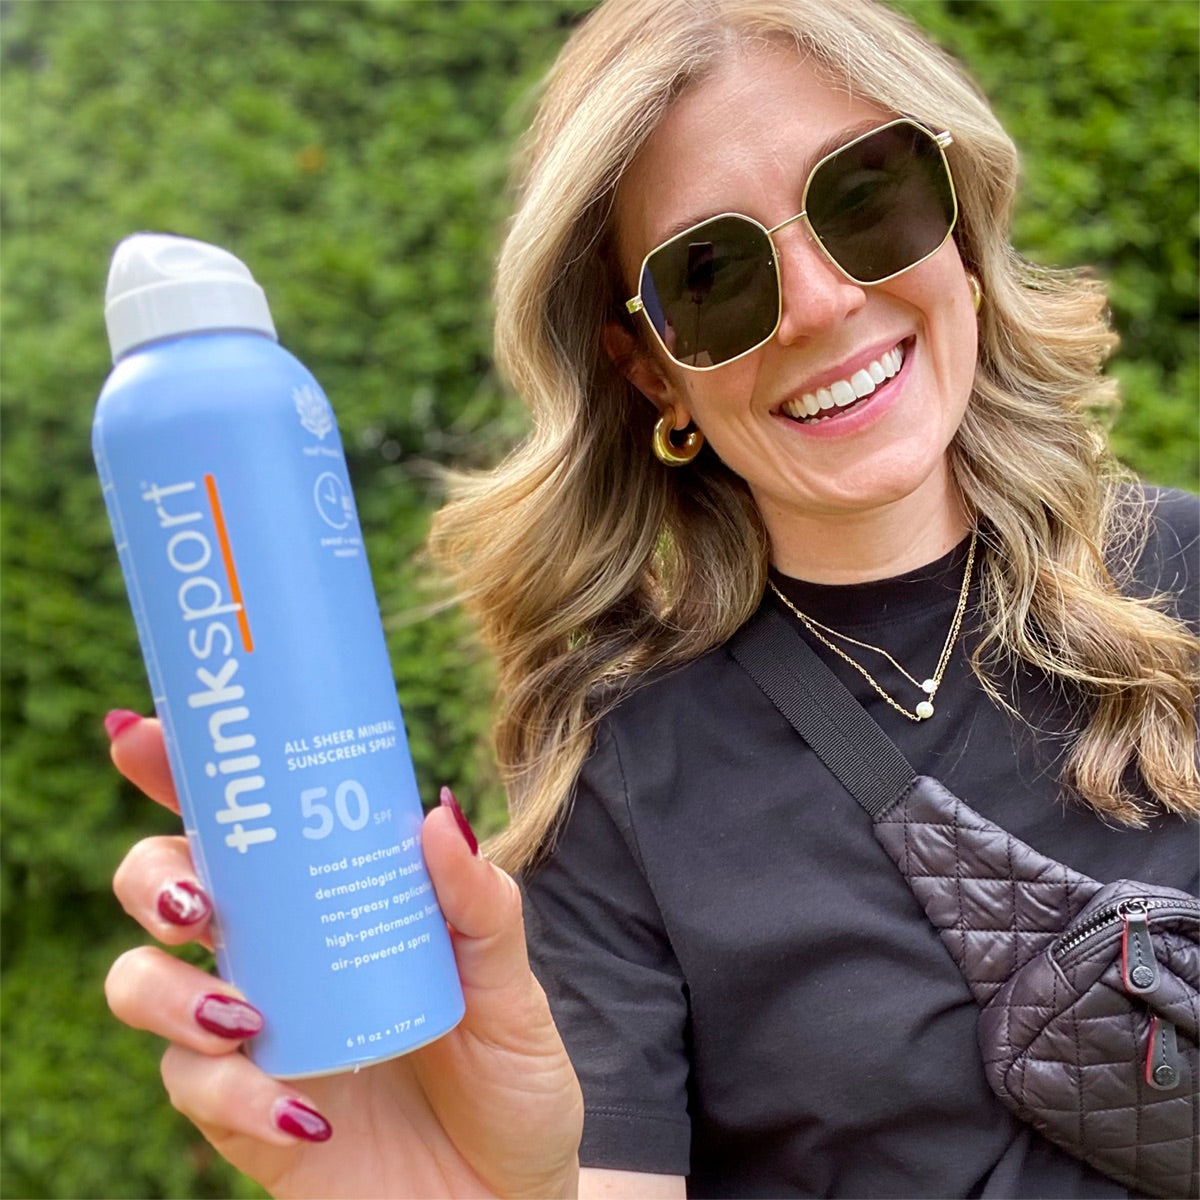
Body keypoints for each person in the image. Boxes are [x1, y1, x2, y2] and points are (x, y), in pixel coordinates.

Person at [103, 0, 1200, 1195]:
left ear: (959, 226)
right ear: (650, 371)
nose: (823, 303)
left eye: (868, 196)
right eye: (714, 273)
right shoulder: (621, 788)